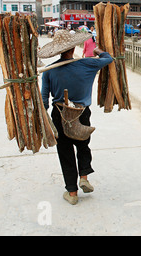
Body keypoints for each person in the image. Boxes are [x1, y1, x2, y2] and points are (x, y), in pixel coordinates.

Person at [40, 30, 113, 205]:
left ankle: (72, 193)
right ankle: (84, 177)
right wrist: (99, 52)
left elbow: (44, 98)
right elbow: (109, 59)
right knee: (82, 145)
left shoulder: (49, 71)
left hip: (59, 113)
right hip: (81, 112)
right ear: (73, 48)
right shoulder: (87, 64)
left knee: (65, 152)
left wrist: (45, 121)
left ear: (57, 51)